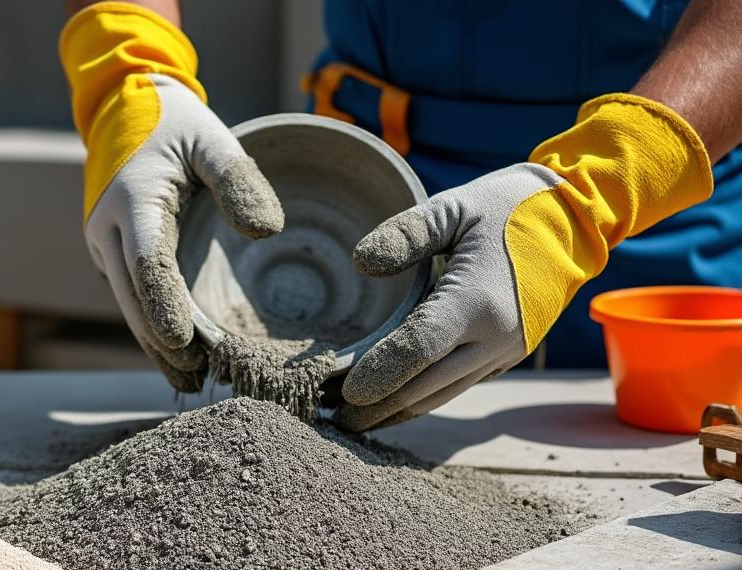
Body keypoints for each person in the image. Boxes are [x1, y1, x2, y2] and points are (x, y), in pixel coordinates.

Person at [61, 0, 742, 430]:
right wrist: (132, 71)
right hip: (370, 177)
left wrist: (590, 194)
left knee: (647, 442)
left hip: (650, 188)